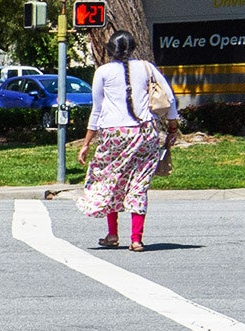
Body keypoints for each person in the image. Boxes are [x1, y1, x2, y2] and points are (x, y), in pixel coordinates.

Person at [76, 31, 180, 251]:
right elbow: (168, 97)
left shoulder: (103, 72)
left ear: (110, 49)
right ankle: (136, 238)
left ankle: (113, 234)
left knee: (110, 179)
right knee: (139, 183)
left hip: (114, 133)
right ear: (133, 47)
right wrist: (172, 128)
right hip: (145, 132)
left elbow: (97, 109)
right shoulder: (146, 67)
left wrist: (86, 142)